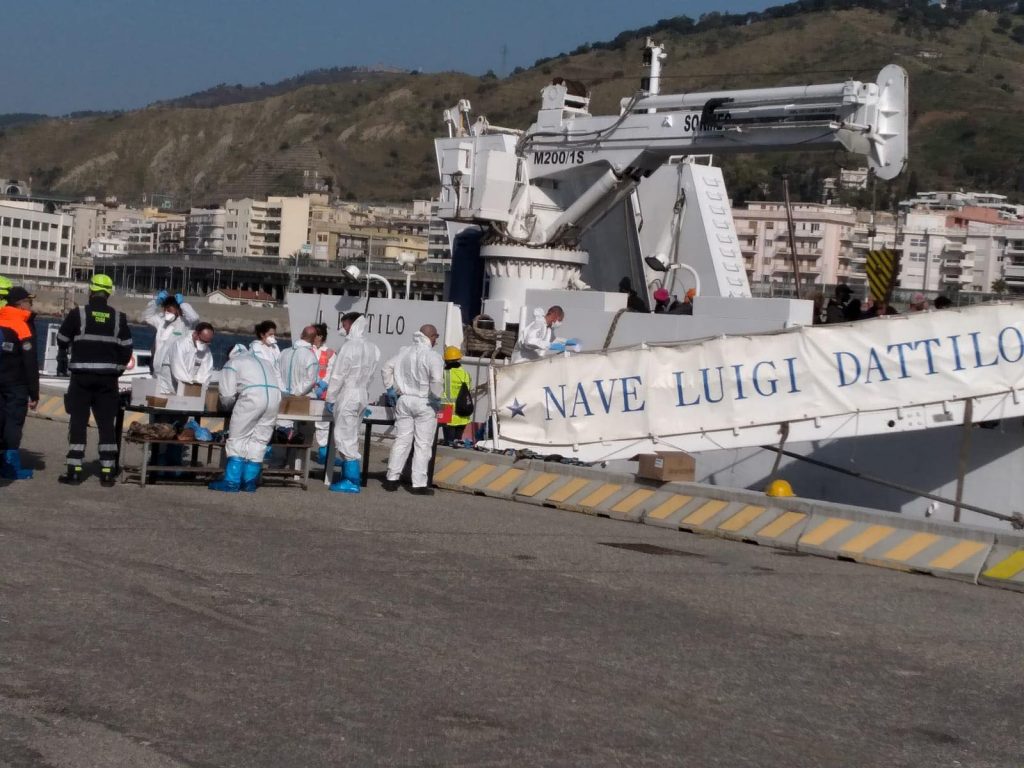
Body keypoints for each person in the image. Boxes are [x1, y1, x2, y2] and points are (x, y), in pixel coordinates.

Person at [56, 274, 133, 486]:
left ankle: (74, 471)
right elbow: (126, 348)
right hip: (108, 380)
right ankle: (108, 472)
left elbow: (61, 339)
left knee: (78, 422)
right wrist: (115, 369)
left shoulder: (78, 314)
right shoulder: (118, 317)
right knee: (107, 424)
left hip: (81, 378)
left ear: (90, 290)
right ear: (108, 293)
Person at [209, 344, 282, 493]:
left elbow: (227, 396)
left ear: (230, 354)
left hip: (251, 399)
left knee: (238, 438)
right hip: (274, 399)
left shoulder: (233, 363)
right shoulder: (265, 362)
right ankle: (249, 483)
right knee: (259, 440)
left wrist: (227, 407)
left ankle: (231, 482)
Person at [381, 324, 443, 495]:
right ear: (430, 337)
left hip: (404, 400)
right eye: (435, 336)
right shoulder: (433, 356)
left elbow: (386, 367)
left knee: (402, 440)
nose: (436, 340)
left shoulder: (404, 352)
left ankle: (391, 479)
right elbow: (437, 381)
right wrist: (438, 399)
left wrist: (390, 388)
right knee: (422, 444)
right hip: (425, 401)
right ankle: (418, 483)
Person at [324, 312, 380, 493]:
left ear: (352, 324)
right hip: (362, 394)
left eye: (345, 324)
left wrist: (330, 398)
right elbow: (371, 375)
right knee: (353, 435)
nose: (344, 328)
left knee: (343, 435)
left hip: (348, 394)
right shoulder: (373, 348)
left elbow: (338, 375)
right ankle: (351, 477)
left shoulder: (349, 347)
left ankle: (351, 480)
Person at [0, 288, 40, 479]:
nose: (30, 305)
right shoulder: (22, 326)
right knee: (13, 422)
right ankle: (10, 466)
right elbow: (30, 362)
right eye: (29, 302)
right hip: (16, 383)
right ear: (20, 303)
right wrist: (34, 393)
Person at [143, 289, 199, 374]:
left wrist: (182, 304)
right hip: (159, 368)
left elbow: (195, 318)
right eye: (165, 310)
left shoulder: (185, 323)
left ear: (178, 310)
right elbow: (147, 316)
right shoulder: (161, 321)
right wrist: (156, 302)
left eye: (169, 310)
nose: (166, 312)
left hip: (176, 368)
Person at [156, 322, 215, 395]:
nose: (205, 344)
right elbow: (178, 369)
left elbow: (206, 372)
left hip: (188, 389)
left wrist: (201, 390)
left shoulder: (206, 351)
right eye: (203, 341)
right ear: (195, 334)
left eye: (208, 342)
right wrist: (190, 387)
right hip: (168, 387)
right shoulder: (180, 344)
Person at [310, 322, 336, 463]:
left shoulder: (330, 353)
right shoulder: (306, 350)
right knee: (304, 424)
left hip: (322, 393)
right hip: (307, 392)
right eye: (314, 334)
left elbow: (333, 371)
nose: (316, 338)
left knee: (323, 424)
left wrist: (324, 383)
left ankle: (323, 453)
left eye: (319, 335)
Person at [440, 346, 473, 445]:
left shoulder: (444, 373)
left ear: (446, 360)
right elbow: (469, 389)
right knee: (457, 442)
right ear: (459, 359)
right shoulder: (465, 373)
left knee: (448, 443)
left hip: (446, 409)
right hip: (462, 411)